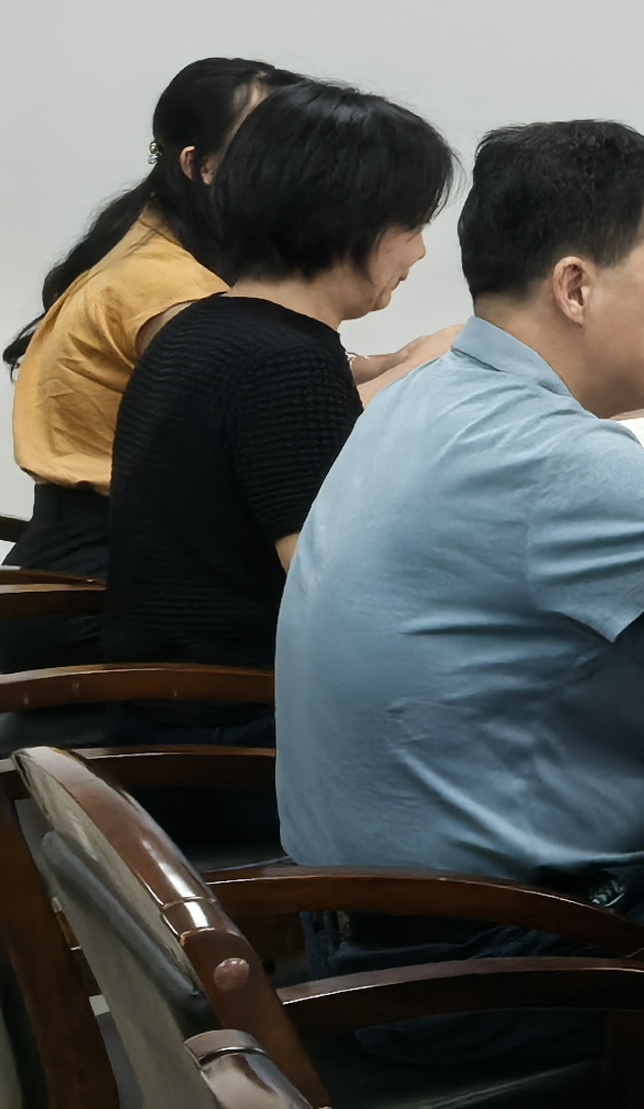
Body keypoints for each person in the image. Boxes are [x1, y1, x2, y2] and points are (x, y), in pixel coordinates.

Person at [275, 120, 644, 1067]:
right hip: (503, 964)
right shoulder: (554, 463)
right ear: (575, 286)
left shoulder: (438, 390)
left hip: (371, 924)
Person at [103, 77, 457, 730]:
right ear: (346, 221)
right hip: (235, 732)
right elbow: (337, 591)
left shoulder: (203, 325)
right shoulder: (288, 363)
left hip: (167, 711)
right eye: (411, 226)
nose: (419, 251)